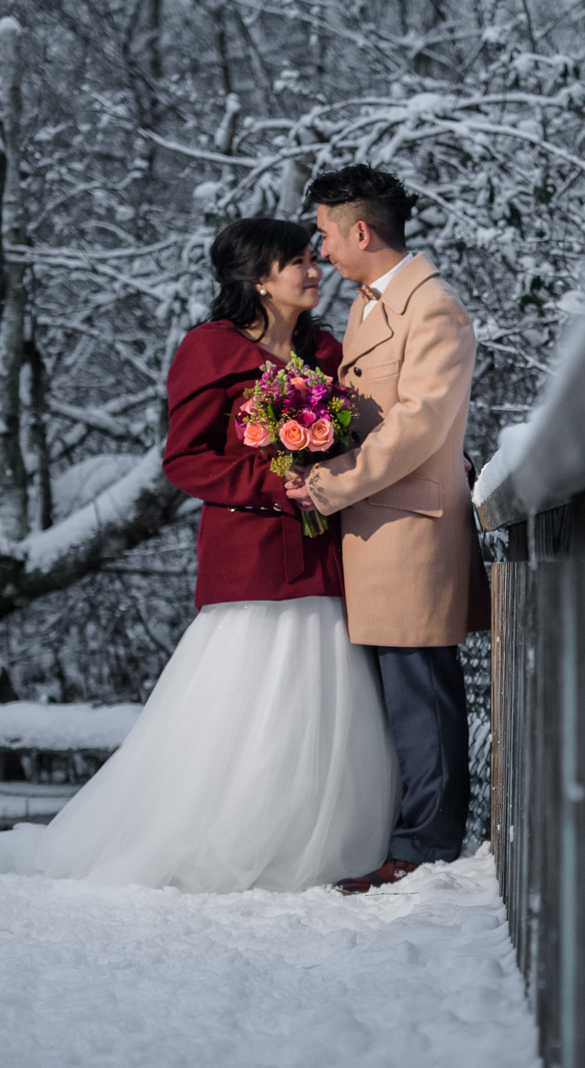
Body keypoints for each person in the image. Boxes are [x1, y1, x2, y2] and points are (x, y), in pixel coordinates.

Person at [31, 218, 400, 893]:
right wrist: (274, 486)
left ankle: (328, 846)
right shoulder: (210, 349)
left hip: (326, 555)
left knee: (328, 705)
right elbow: (184, 459)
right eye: (298, 261)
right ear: (258, 278)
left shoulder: (325, 350)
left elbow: (373, 429)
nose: (314, 269)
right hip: (252, 555)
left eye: (314, 257)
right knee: (249, 709)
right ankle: (234, 840)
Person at [285, 164, 486, 894]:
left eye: (326, 234)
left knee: (421, 697)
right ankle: (404, 838)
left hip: (409, 529)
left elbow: (417, 428)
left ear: (359, 231)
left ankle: (427, 849)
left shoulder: (432, 308)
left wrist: (330, 484)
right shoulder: (373, 306)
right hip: (374, 529)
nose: (322, 250)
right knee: (398, 697)